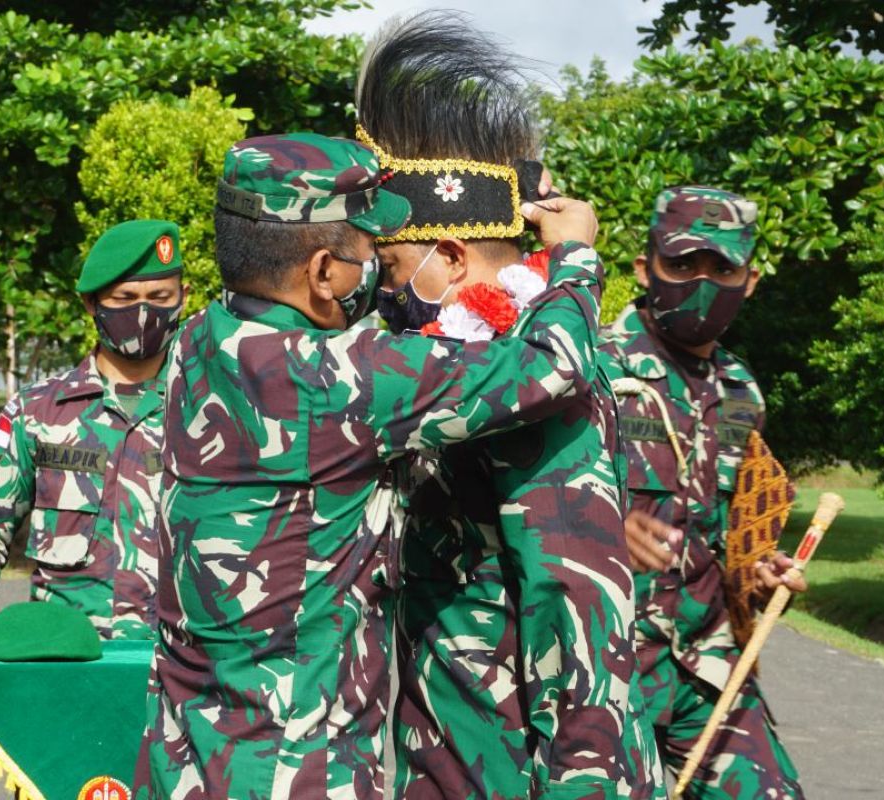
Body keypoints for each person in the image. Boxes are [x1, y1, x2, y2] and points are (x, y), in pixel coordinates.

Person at [135, 130, 606, 799]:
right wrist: (574, 256)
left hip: (183, 757)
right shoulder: (344, 377)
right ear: (324, 272)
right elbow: (551, 368)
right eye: (371, 259)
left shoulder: (197, 343)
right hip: (294, 771)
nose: (380, 278)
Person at [355, 14, 663, 798]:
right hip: (450, 756)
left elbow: (577, 611)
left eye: (392, 268)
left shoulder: (532, 395)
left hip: (523, 771)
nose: (381, 292)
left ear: (449, 257)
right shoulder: (459, 372)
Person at [600, 186, 806, 798]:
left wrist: (762, 577)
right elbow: (513, 504)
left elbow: (730, 537)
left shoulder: (743, 394)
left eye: (723, 268)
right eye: (682, 263)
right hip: (604, 666)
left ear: (752, 281)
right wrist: (598, 528)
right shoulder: (588, 368)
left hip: (706, 662)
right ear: (644, 268)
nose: (702, 281)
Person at [0, 219, 184, 666]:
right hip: (67, 660)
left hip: (183, 667)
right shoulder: (37, 413)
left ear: (182, 297)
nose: (145, 312)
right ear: (92, 303)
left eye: (160, 298)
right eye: (125, 299)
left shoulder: (212, 409)